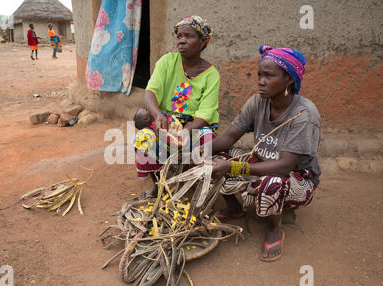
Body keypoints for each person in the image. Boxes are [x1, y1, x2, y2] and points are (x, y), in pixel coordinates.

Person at [209, 45, 321, 262]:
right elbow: (229, 137)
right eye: (259, 75)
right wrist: (192, 150)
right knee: (219, 157)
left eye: (269, 76)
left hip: (297, 178)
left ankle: (273, 228)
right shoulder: (258, 101)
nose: (261, 81)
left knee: (273, 181)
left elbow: (284, 166)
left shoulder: (305, 115)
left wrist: (233, 167)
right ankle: (234, 208)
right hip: (261, 163)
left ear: (288, 79)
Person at [133, 16, 220, 201]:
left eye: (189, 36)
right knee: (143, 138)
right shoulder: (167, 61)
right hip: (167, 121)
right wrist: (158, 117)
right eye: (179, 36)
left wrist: (187, 130)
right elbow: (150, 93)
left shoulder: (211, 74)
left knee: (206, 141)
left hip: (195, 124)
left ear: (203, 41)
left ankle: (193, 181)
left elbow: (206, 111)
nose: (182, 40)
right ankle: (157, 185)